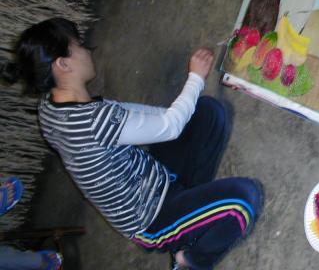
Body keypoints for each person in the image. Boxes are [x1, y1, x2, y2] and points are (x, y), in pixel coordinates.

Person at [0, 18, 262, 269]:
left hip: (151, 173)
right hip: (151, 217)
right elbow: (167, 126)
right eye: (78, 44)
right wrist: (195, 78)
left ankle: (195, 211)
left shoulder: (49, 106)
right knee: (243, 200)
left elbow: (130, 115)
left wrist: (170, 120)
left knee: (208, 112)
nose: (86, 48)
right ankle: (190, 259)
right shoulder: (94, 121)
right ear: (63, 64)